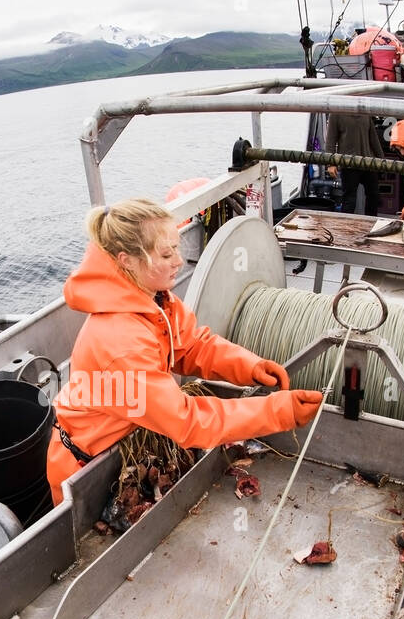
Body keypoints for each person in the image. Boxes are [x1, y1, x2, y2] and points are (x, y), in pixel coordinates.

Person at [46, 198, 323, 505]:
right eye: (167, 253)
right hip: (86, 471)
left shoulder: (153, 300)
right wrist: (277, 412)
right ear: (126, 260)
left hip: (128, 443)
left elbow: (190, 345)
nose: (180, 260)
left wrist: (249, 367)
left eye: (177, 247)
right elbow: (185, 421)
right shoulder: (119, 342)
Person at [325, 113, 384, 216]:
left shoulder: (365, 113)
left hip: (368, 163)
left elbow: (373, 139)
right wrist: (331, 164)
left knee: (374, 196)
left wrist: (382, 160)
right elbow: (330, 140)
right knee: (349, 200)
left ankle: (371, 226)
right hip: (348, 165)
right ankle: (346, 229)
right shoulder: (336, 113)